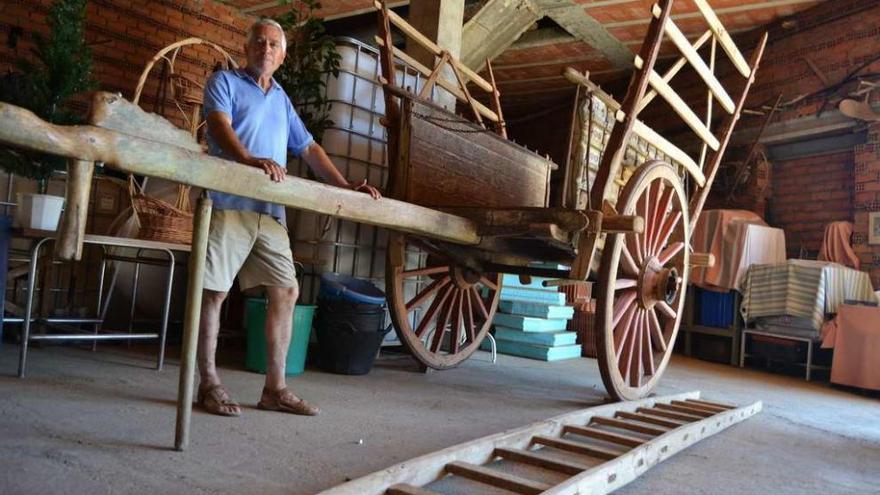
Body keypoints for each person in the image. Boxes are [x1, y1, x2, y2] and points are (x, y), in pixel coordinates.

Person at [197, 18, 381, 417]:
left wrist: (345, 187)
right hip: (229, 203)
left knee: (286, 291)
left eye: (274, 44)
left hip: (270, 212)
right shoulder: (224, 83)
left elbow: (309, 148)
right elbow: (218, 125)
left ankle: (274, 389)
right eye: (259, 42)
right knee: (213, 292)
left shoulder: (281, 98)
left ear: (282, 56)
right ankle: (209, 384)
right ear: (247, 48)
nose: (266, 49)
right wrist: (249, 160)